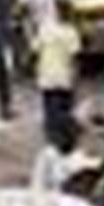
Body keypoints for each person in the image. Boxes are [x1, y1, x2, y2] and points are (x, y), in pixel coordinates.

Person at [32, 7, 82, 141]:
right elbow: (75, 56)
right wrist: (76, 76)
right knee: (65, 108)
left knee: (49, 108)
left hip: (46, 76)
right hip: (64, 77)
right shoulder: (71, 32)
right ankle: (64, 135)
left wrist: (35, 70)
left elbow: (35, 51)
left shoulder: (44, 30)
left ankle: (51, 134)